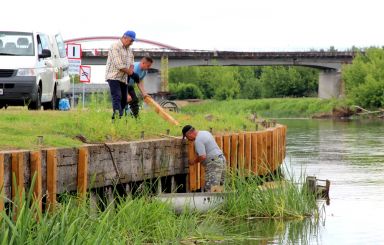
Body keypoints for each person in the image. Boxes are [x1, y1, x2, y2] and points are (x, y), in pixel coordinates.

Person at [105, 30, 138, 121]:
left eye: (133, 41)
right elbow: (119, 65)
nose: (131, 43)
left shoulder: (129, 50)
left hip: (124, 78)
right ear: (124, 37)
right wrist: (131, 73)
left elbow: (131, 63)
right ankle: (117, 118)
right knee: (117, 96)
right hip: (113, 77)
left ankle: (115, 118)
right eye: (131, 40)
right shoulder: (115, 47)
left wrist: (131, 72)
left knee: (124, 100)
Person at [182, 125, 226, 192]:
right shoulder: (205, 132)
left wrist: (193, 162)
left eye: (187, 137)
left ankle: (211, 202)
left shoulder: (198, 140)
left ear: (189, 134)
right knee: (219, 187)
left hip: (214, 163)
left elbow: (202, 156)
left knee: (211, 189)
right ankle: (219, 201)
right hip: (221, 159)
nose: (188, 139)